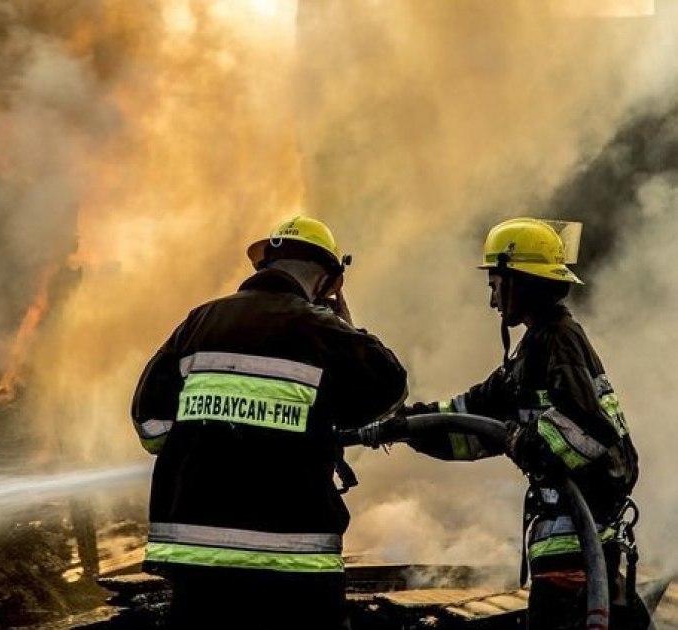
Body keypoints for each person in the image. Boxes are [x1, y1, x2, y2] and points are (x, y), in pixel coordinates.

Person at [130, 216, 408, 630]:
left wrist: (210, 445)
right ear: (329, 284)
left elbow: (150, 425)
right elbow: (391, 385)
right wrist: (347, 325)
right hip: (293, 560)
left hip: (197, 558)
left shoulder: (199, 322)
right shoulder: (322, 330)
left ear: (263, 267)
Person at [372, 217, 646, 629]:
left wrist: (526, 441)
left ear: (521, 282)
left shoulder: (560, 339)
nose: (492, 300)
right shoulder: (532, 352)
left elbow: (588, 427)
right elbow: (473, 418)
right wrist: (406, 425)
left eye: (495, 284)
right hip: (566, 553)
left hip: (576, 554)